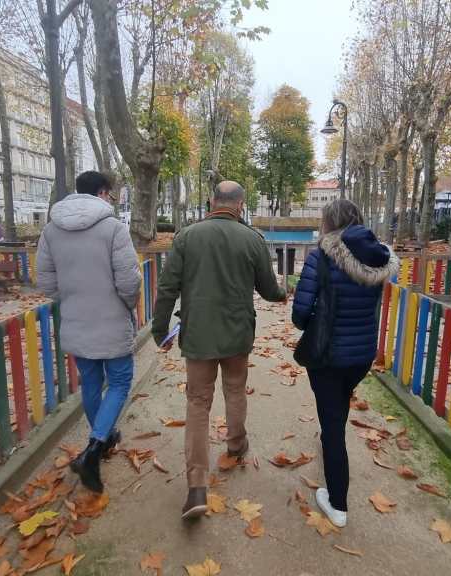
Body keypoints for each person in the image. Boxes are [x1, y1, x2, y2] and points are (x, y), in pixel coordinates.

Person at [152, 180, 288, 519]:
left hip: (198, 334)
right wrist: (283, 293)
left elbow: (167, 288)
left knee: (198, 403)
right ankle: (236, 444)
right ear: (240, 205)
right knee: (235, 390)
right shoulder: (253, 240)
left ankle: (197, 487)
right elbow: (269, 290)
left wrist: (160, 330)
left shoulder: (187, 237)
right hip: (237, 334)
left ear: (212, 201)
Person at [291, 199, 398, 528]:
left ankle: (337, 504)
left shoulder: (321, 257)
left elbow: (299, 315)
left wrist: (315, 317)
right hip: (361, 355)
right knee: (337, 407)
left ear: (328, 222)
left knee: (333, 426)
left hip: (327, 355)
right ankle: (330, 438)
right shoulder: (379, 259)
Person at [37, 171, 142, 493]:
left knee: (92, 382)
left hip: (76, 321)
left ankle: (104, 436)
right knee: (120, 382)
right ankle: (94, 450)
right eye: (109, 194)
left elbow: (46, 281)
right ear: (102, 193)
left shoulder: (51, 231)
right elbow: (129, 281)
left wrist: (72, 299)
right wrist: (125, 305)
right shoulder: (114, 229)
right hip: (112, 321)